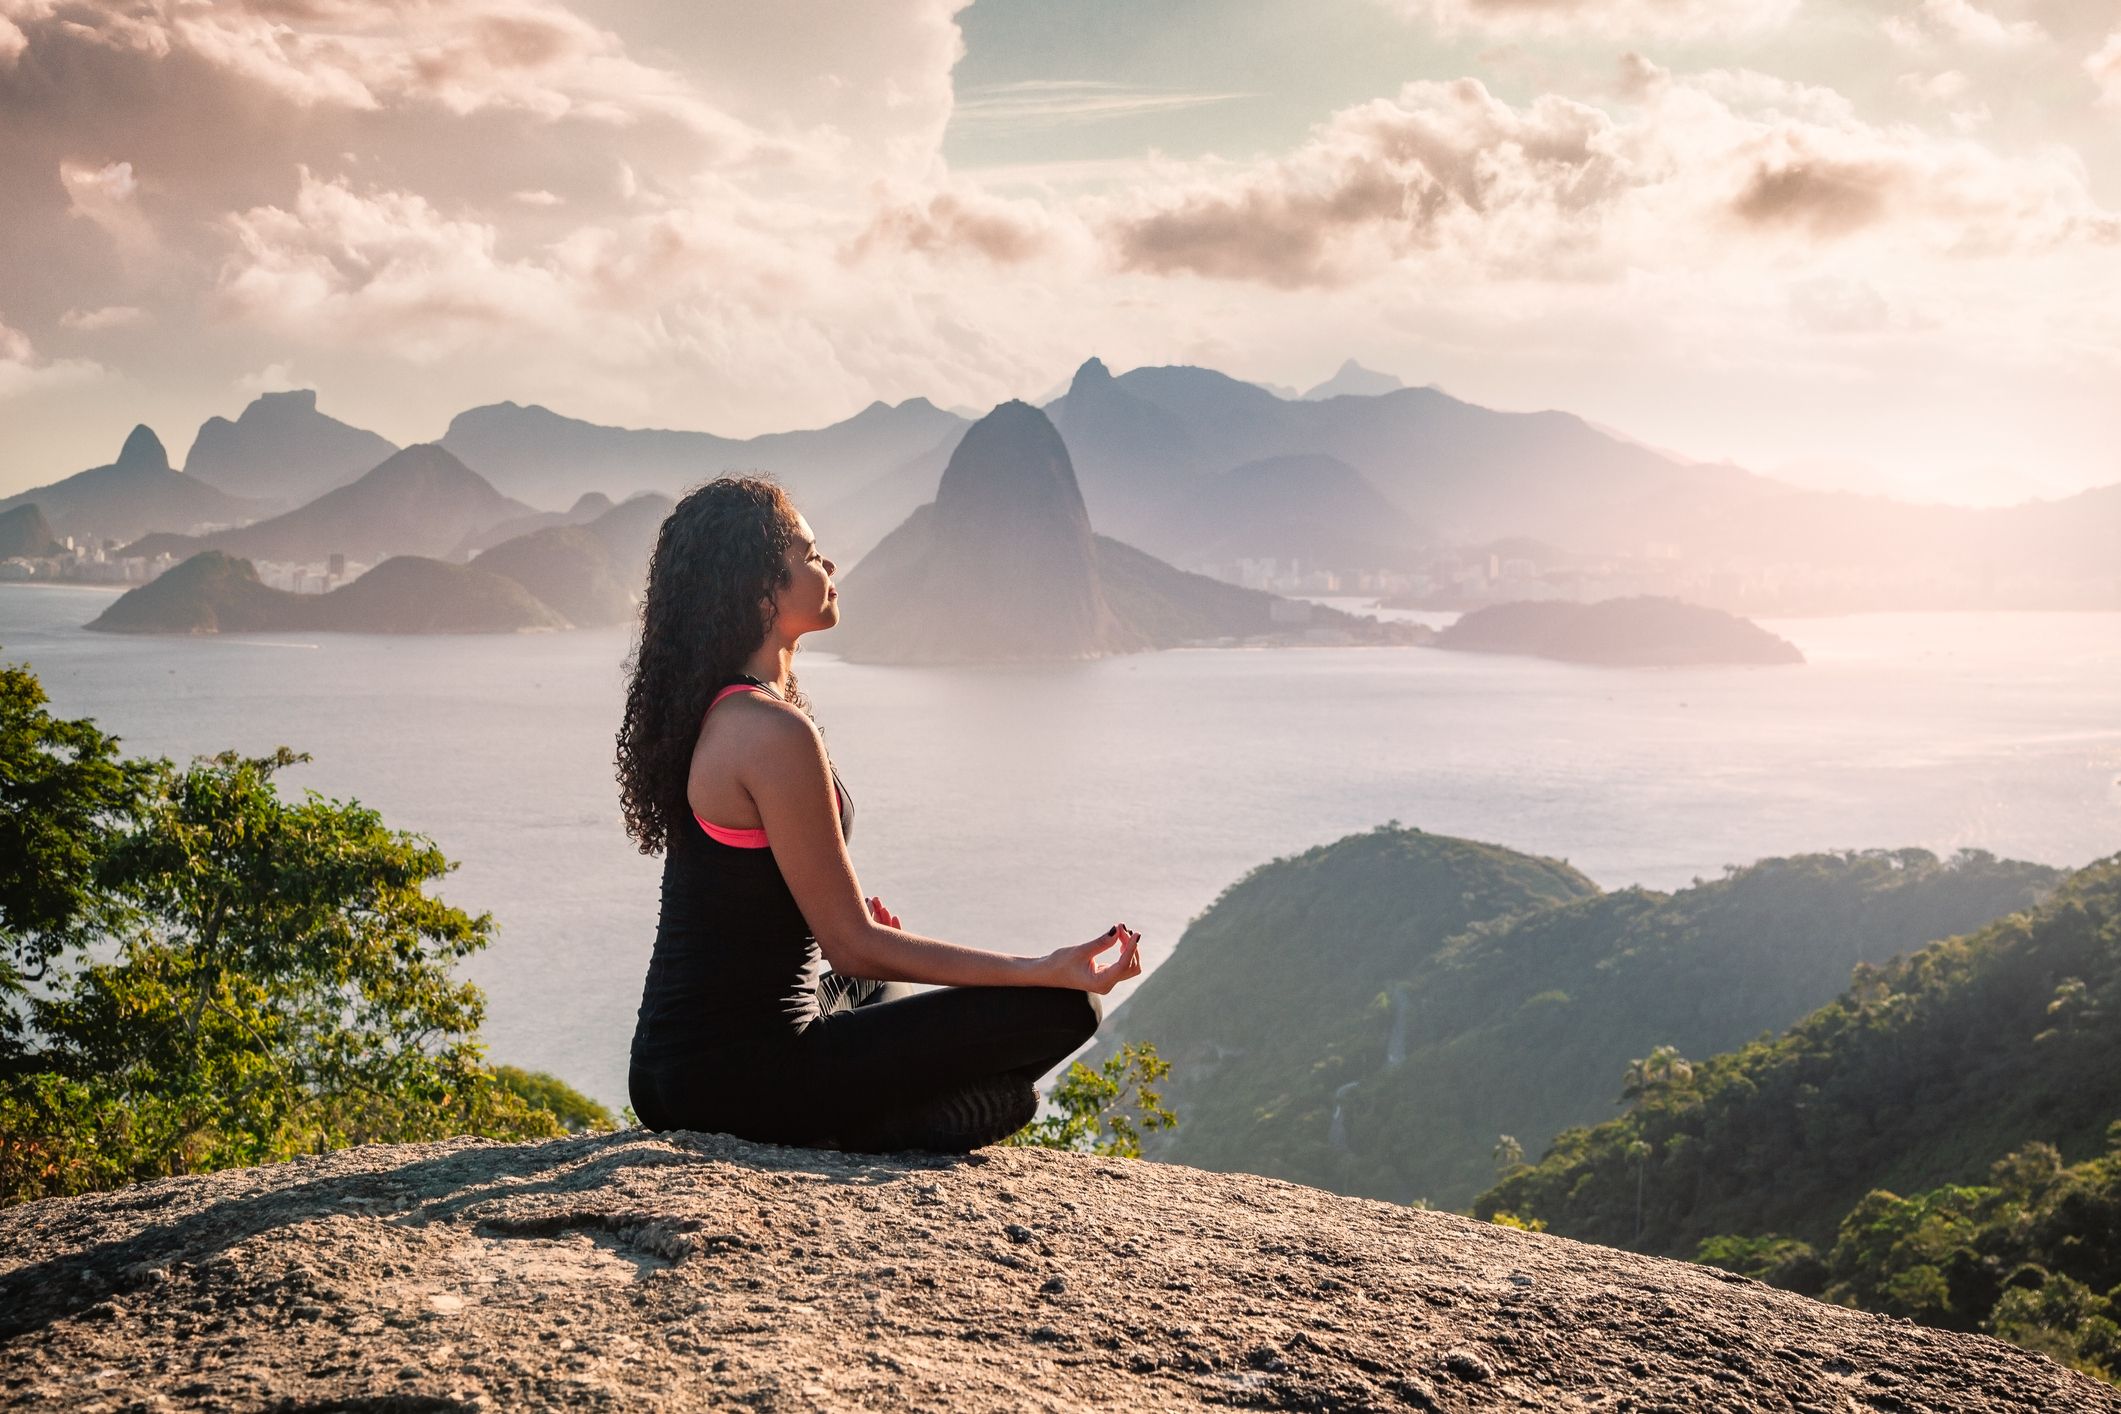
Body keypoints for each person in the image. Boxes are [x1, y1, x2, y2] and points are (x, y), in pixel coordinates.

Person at [618, 475, 1141, 1152]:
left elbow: (781, 920)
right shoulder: (770, 730)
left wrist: (863, 953)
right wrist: (1044, 965)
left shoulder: (720, 708)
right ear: (761, 588)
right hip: (737, 1080)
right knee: (1067, 1009)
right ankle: (885, 1123)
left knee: (878, 989)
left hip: (672, 1072)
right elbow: (852, 942)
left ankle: (882, 1108)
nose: (827, 565)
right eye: (808, 555)